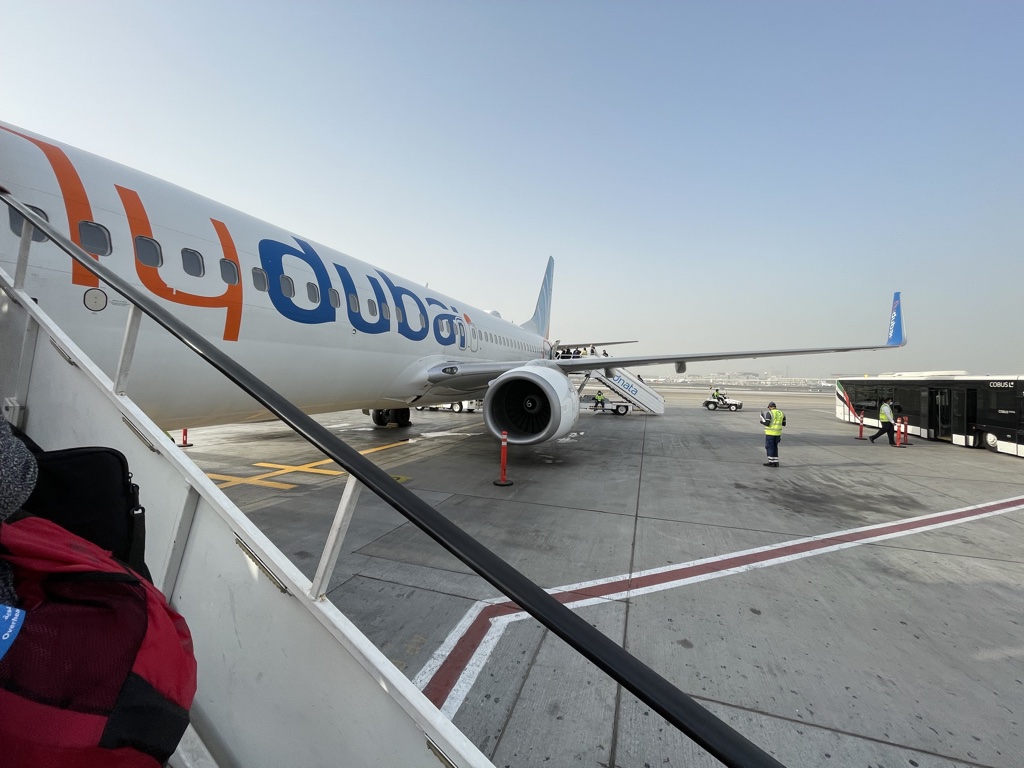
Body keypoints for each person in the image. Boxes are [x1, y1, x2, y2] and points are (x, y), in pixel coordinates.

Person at [760, 401, 786, 467]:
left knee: (770, 447)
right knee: (775, 447)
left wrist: (762, 422)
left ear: (770, 407)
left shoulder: (770, 413)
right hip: (778, 434)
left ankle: (771, 462)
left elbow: (767, 423)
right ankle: (776, 462)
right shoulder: (781, 413)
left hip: (770, 433)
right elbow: (784, 424)